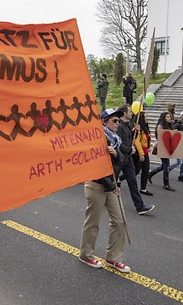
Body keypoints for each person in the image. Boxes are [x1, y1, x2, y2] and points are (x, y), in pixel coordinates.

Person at [78, 108, 130, 273]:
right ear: (104, 122)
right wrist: (112, 186)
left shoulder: (116, 140)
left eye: (118, 121)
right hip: (96, 185)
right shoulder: (95, 139)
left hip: (111, 186)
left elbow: (122, 161)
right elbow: (95, 169)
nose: (117, 124)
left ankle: (113, 258)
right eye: (114, 121)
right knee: (93, 222)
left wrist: (115, 154)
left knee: (120, 220)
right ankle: (86, 254)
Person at [116, 104, 155, 215]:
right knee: (111, 183)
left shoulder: (129, 125)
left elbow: (129, 137)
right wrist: (129, 150)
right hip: (119, 159)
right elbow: (119, 143)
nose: (132, 113)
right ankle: (105, 201)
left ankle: (140, 207)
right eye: (129, 111)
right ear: (124, 113)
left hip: (128, 159)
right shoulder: (119, 126)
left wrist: (135, 132)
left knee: (133, 182)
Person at [148, 111, 176, 191]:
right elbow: (160, 137)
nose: (169, 118)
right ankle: (166, 183)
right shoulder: (160, 126)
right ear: (163, 118)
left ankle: (151, 173)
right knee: (166, 165)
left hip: (167, 147)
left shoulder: (169, 125)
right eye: (167, 117)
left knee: (165, 165)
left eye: (169, 117)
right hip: (162, 147)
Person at [133, 111, 153, 196]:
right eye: (145, 117)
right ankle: (119, 178)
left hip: (145, 151)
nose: (147, 118)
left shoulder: (146, 128)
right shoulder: (139, 129)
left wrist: (148, 147)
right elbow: (136, 141)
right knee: (136, 171)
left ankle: (143, 188)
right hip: (139, 152)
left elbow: (147, 139)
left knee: (145, 170)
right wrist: (141, 154)